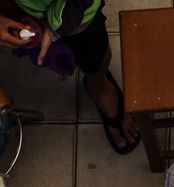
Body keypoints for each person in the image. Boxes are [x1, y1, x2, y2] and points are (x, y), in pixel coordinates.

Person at [0, 0, 139, 153]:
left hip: (74, 12)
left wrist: (55, 27)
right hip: (16, 9)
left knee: (93, 52)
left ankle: (99, 86)